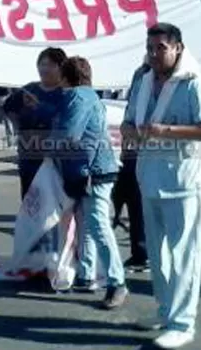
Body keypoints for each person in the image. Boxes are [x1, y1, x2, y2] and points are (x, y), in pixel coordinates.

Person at [120, 23, 201, 350]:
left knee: (184, 256)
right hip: (148, 178)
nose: (153, 54)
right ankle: (165, 311)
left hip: (183, 181)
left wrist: (166, 130)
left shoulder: (194, 83)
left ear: (177, 47)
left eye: (160, 48)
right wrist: (131, 132)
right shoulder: (142, 80)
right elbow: (126, 122)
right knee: (158, 255)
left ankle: (183, 323)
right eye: (150, 48)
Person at [52, 56, 129, 309]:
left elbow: (69, 135)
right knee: (88, 225)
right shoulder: (90, 96)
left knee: (97, 225)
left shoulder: (76, 97)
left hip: (90, 170)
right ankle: (86, 274)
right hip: (95, 167)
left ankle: (117, 282)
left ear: (66, 77)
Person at [2, 47, 68, 198]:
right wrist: (18, 127)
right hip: (28, 155)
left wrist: (39, 107)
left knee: (53, 201)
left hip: (55, 157)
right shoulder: (29, 89)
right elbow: (7, 108)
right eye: (42, 64)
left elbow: (64, 120)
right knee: (29, 199)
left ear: (61, 67)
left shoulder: (66, 93)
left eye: (50, 65)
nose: (45, 69)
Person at [112, 57, 151, 272]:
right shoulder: (140, 73)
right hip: (130, 146)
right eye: (149, 48)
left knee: (137, 199)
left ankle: (142, 252)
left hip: (147, 146)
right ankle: (139, 251)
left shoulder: (164, 78)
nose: (152, 53)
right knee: (123, 195)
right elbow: (131, 106)